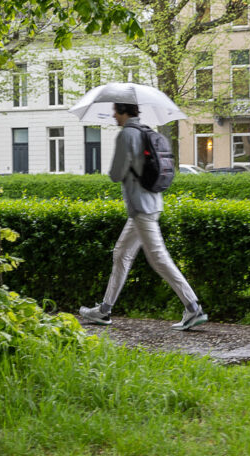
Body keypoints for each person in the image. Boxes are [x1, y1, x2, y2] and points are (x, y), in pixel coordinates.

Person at [79, 102, 208, 331]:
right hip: (151, 203)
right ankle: (104, 310)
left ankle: (193, 307)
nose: (113, 115)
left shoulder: (127, 134)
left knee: (158, 258)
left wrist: (121, 169)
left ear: (124, 112)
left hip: (141, 209)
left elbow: (115, 174)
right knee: (121, 253)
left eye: (115, 111)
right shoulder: (147, 131)